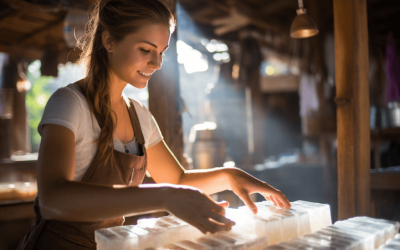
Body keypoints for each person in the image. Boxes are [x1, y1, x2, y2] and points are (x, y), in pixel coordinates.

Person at [18, 0, 291, 249]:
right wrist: (163, 196)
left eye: (162, 51)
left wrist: (230, 176)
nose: (157, 63)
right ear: (110, 41)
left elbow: (177, 180)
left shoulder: (139, 116)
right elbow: (53, 199)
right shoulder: (69, 103)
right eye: (146, 50)